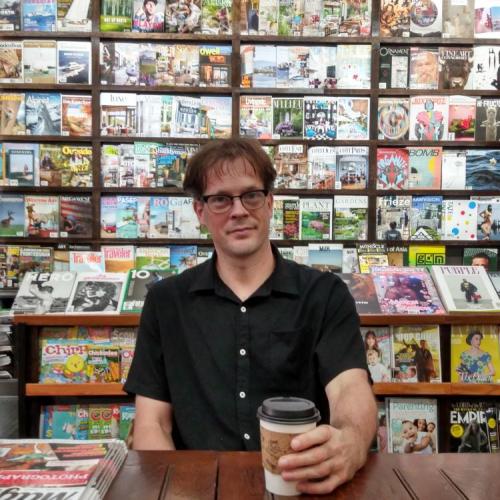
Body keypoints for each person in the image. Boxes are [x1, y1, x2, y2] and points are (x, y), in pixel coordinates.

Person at [124, 138, 377, 494]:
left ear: (270, 202)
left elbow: (350, 388)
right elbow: (153, 423)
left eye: (251, 195)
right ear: (200, 212)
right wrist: (175, 488)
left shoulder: (324, 294)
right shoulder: (166, 303)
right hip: (196, 491)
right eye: (221, 199)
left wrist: (350, 442)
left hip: (304, 488)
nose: (239, 210)